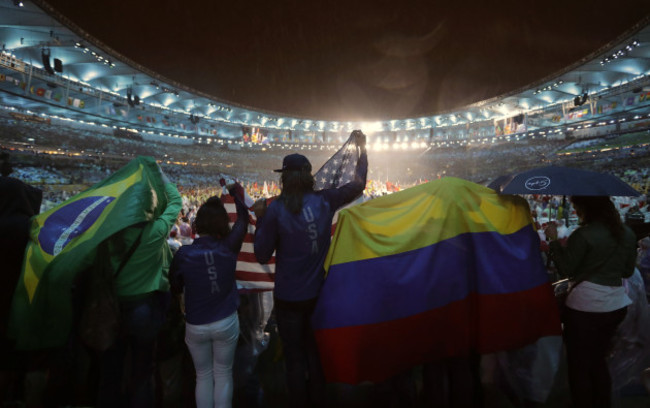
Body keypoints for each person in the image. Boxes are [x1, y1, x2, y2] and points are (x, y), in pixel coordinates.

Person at [253, 130, 368, 408]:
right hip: (318, 296)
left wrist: (259, 219)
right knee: (316, 358)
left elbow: (261, 253)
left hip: (288, 300)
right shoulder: (325, 200)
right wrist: (363, 151)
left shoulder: (276, 210)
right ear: (308, 175)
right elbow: (359, 183)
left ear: (284, 178)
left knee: (294, 361)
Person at [97, 172, 182, 408]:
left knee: (111, 372)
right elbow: (176, 203)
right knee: (142, 372)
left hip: (111, 310)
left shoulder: (109, 234)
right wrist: (164, 178)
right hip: (144, 309)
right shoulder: (153, 232)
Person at [545, 196, 636, 408]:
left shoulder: (583, 234)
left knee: (579, 365)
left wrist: (553, 240)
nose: (576, 212)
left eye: (577, 208)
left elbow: (567, 269)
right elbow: (627, 271)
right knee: (598, 360)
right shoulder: (628, 234)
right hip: (616, 305)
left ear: (587, 209)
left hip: (584, 307)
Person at [169, 183, 249, 408]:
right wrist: (237, 194)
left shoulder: (184, 254)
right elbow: (243, 221)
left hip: (196, 324)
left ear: (198, 223)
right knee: (223, 374)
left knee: (203, 376)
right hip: (225, 320)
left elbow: (174, 285)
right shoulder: (228, 247)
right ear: (222, 224)